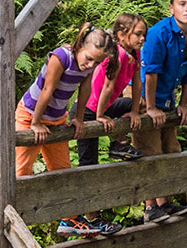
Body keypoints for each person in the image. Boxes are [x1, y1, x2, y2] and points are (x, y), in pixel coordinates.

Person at [15, 23, 117, 237]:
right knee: (21, 170)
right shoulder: (61, 57)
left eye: (97, 62)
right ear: (80, 45)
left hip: (57, 119)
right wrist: (35, 123)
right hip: (30, 115)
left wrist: (78, 118)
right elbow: (47, 88)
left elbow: (85, 88)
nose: (90, 65)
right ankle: (15, 216)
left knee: (62, 171)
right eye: (88, 58)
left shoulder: (88, 66)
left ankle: (69, 220)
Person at [69, 13, 148, 235]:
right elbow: (107, 87)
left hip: (103, 107)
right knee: (89, 166)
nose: (142, 39)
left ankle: (117, 144)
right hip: (87, 111)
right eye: (138, 34)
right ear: (122, 35)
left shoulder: (134, 53)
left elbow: (138, 81)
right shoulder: (117, 55)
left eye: (144, 35)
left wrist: (133, 111)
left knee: (140, 105)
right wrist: (100, 116)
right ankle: (90, 219)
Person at [135, 0, 187, 223]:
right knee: (150, 150)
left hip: (169, 98)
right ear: (172, 8)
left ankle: (165, 202)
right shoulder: (159, 33)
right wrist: (151, 107)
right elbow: (150, 72)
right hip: (146, 96)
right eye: (182, 3)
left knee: (171, 149)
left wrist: (183, 104)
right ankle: (149, 206)